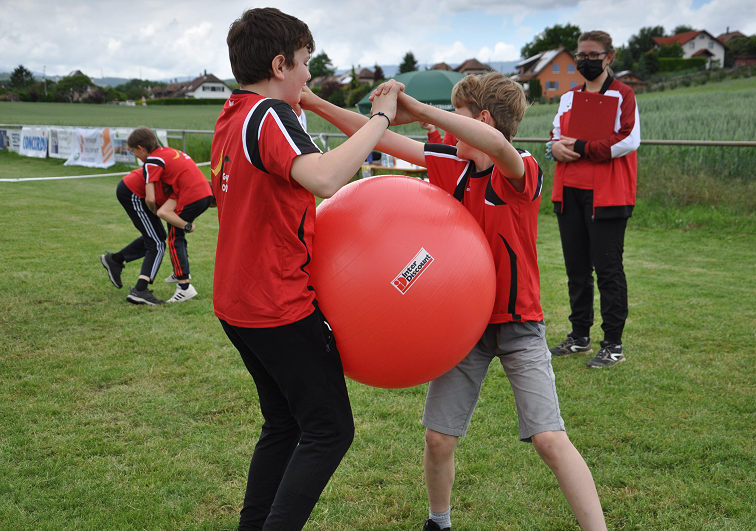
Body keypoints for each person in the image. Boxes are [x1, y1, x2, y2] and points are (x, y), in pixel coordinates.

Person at [301, 72, 606, 531]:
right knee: (439, 438)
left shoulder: (521, 169)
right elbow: (376, 135)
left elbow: (497, 145)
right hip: (461, 326)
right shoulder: (453, 165)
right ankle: (438, 522)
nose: (444, 127)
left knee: (549, 439)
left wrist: (421, 110)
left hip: (519, 324)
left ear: (481, 120)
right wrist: (314, 101)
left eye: (454, 115)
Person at [209, 7, 401, 530]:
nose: (309, 74)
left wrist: (311, 101)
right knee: (329, 430)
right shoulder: (269, 115)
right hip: (277, 305)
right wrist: (381, 118)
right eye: (304, 63)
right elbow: (325, 178)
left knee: (284, 424)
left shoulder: (233, 114)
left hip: (238, 304)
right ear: (279, 65)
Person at [547, 30, 640, 368]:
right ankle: (579, 337)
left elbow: (628, 139)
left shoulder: (623, 95)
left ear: (608, 57)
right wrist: (554, 148)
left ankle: (613, 344)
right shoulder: (568, 98)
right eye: (581, 55)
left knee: (608, 271)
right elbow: (556, 136)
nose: (586, 60)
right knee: (576, 270)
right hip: (569, 192)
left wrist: (584, 148)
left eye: (593, 55)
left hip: (607, 196)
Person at [127, 127, 212, 303]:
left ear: (141, 148)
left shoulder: (152, 161)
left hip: (189, 195)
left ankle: (184, 286)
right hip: (203, 192)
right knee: (171, 223)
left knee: (174, 237)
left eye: (134, 151)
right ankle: (179, 270)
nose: (135, 155)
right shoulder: (169, 151)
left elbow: (150, 198)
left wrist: (153, 210)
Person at [101, 167, 168, 305]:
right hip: (134, 191)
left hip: (135, 189)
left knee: (159, 236)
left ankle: (115, 259)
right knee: (157, 244)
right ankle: (140, 290)